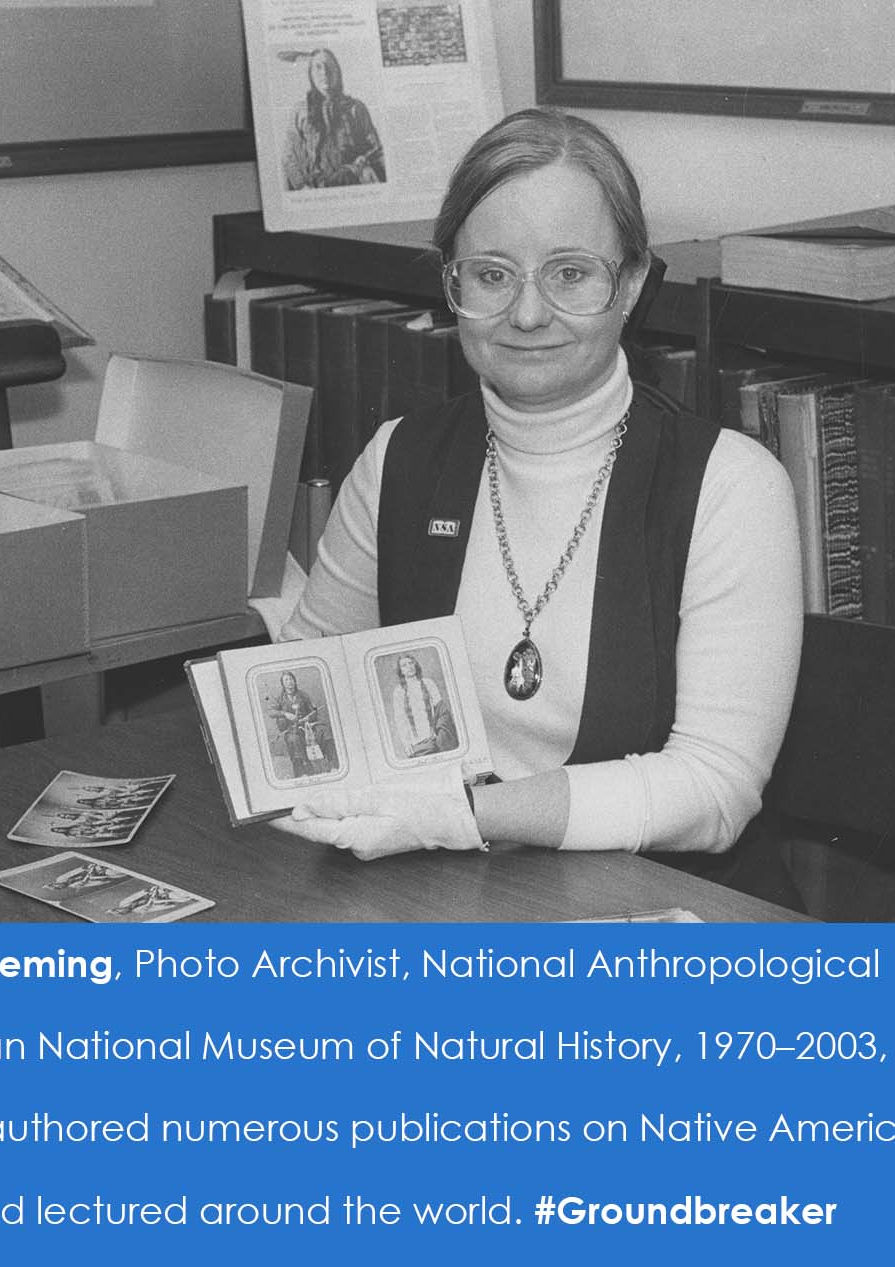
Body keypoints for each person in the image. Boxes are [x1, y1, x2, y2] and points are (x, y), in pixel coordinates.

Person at [274, 108, 803, 865]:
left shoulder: (730, 486)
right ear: (450, 285)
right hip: (439, 895)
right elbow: (306, 683)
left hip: (644, 914)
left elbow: (714, 792)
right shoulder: (398, 458)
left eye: (569, 273)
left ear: (630, 285)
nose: (525, 313)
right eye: (491, 275)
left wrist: (461, 816)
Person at [283, 48, 386, 191]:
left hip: (351, 187)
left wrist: (361, 165)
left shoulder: (355, 108)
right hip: (312, 190)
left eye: (329, 66)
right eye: (318, 67)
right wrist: (302, 186)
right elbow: (289, 156)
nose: (324, 72)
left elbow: (376, 149)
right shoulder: (300, 112)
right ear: (311, 75)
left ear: (338, 72)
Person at [389, 654, 457, 758]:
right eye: (404, 665)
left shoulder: (428, 683)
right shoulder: (399, 691)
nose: (409, 667)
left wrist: (439, 736)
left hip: (435, 739)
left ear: (416, 665)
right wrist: (406, 744)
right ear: (401, 671)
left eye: (411, 663)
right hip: (417, 744)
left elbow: (442, 712)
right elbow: (400, 720)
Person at [265, 672, 330, 779]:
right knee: (293, 739)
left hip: (307, 727)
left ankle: (332, 766)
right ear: (282, 684)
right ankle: (301, 773)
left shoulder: (303, 695)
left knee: (324, 731)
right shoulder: (279, 698)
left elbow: (314, 711)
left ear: (295, 681)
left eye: (291, 679)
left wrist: (307, 718)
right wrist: (285, 714)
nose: (289, 682)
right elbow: (271, 712)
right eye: (286, 680)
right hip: (291, 730)